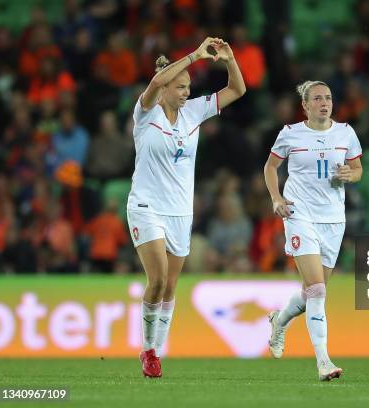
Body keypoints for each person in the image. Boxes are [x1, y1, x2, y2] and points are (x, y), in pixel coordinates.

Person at [127, 36, 245, 378]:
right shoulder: (145, 112)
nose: (186, 93)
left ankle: (156, 351)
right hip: (146, 205)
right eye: (180, 87)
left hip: (180, 212)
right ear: (165, 87)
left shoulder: (193, 112)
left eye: (189, 88)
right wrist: (195, 54)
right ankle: (148, 350)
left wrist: (229, 59)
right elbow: (155, 82)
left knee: (170, 287)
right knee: (158, 277)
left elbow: (237, 90)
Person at [264, 80, 363, 381]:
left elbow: (358, 169)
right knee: (317, 290)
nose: (324, 102)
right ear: (305, 105)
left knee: (311, 294)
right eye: (317, 98)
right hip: (299, 214)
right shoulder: (291, 134)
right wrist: (276, 198)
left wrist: (350, 174)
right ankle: (323, 361)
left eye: (329, 98)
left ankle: (278, 321)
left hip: (333, 219)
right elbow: (270, 167)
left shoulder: (345, 133)